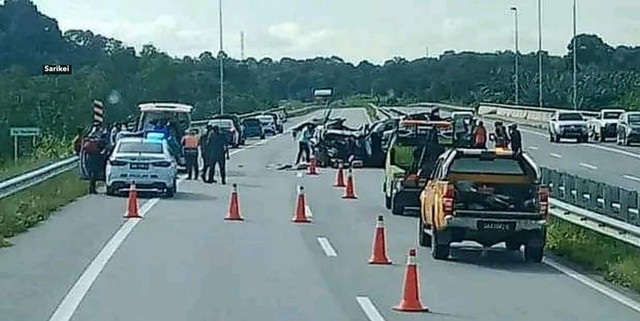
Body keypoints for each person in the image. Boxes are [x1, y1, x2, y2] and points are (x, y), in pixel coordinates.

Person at [84, 127, 108, 194]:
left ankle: (91, 189)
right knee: (94, 175)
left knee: (92, 175)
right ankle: (92, 189)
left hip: (89, 158)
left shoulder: (89, 140)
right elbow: (103, 148)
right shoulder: (98, 140)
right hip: (96, 158)